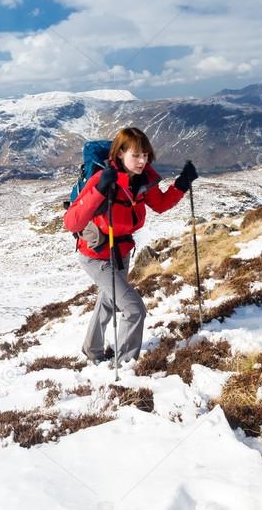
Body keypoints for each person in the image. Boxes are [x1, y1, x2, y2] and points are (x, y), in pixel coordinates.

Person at [63, 127, 198, 364]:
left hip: (120, 251)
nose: (142, 160)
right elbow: (71, 221)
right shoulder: (102, 178)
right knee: (134, 309)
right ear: (120, 153)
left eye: (145, 155)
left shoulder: (142, 179)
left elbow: (161, 204)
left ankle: (91, 351)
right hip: (95, 255)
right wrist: (99, 189)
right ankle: (125, 365)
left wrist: (182, 184)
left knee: (107, 301)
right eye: (136, 155)